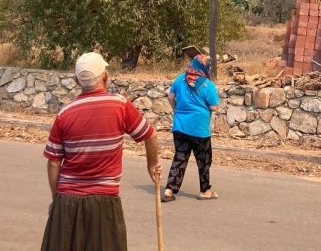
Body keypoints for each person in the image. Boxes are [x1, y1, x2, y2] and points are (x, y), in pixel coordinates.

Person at [42, 52, 161, 251]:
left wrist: (57, 200)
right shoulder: (119, 105)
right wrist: (152, 164)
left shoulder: (65, 113)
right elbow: (150, 135)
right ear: (105, 76)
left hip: (67, 200)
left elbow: (53, 163)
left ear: (77, 81)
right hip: (104, 199)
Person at [162, 54, 220, 202]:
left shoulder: (180, 79)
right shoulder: (207, 85)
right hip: (199, 129)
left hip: (180, 126)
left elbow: (170, 97)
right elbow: (214, 107)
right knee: (203, 161)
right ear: (205, 68)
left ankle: (169, 190)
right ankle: (205, 191)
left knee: (180, 157)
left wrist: (176, 110)